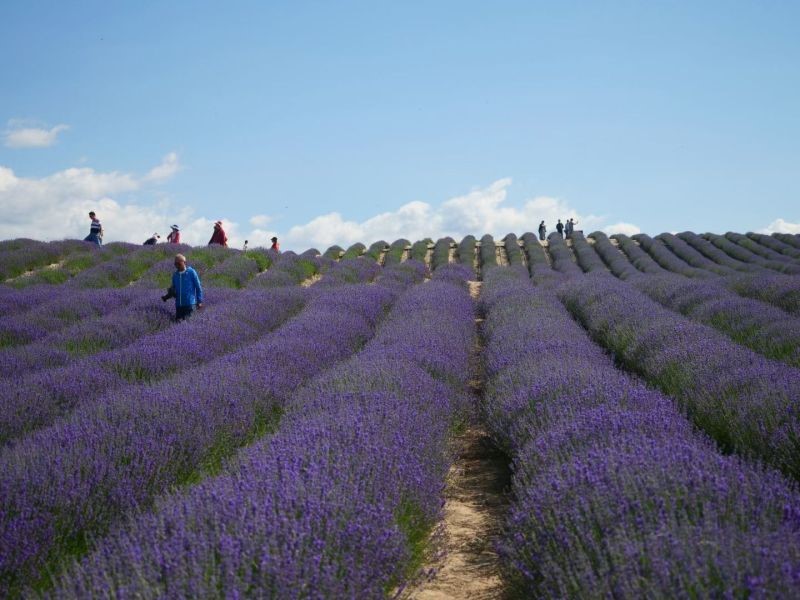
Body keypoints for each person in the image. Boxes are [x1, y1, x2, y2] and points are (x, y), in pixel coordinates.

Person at [162, 253, 203, 321]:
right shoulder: (175, 275)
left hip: (190, 305)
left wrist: (199, 301)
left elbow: (198, 287)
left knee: (190, 326)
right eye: (175, 264)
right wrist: (166, 297)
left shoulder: (191, 272)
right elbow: (173, 290)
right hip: (179, 306)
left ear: (184, 262)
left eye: (179, 264)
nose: (177, 266)